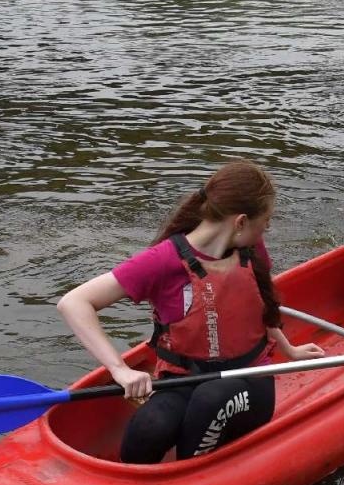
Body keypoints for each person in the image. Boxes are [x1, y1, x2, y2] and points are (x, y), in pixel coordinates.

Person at [57, 160, 325, 464]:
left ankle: (189, 473)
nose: (267, 227)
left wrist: (289, 350)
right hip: (182, 380)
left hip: (249, 381)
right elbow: (74, 303)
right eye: (266, 220)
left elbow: (259, 305)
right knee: (150, 426)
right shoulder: (162, 261)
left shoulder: (250, 250)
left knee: (211, 400)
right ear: (239, 222)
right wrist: (119, 369)